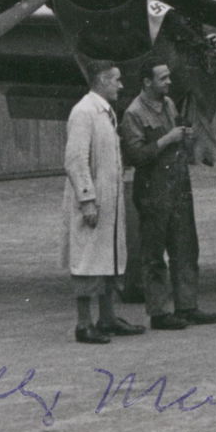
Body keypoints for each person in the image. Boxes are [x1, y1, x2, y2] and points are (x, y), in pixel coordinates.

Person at [119, 61, 216, 331]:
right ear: (146, 82)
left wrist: (186, 138)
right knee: (154, 254)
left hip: (178, 187)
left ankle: (187, 305)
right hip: (153, 191)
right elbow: (136, 156)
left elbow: (176, 139)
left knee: (186, 247)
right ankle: (159, 312)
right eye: (163, 78)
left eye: (168, 78)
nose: (169, 82)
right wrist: (168, 139)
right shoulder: (134, 114)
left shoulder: (170, 105)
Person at [61, 63, 144, 344]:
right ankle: (83, 324)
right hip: (93, 201)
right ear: (102, 80)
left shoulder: (105, 112)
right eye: (117, 81)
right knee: (86, 261)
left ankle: (107, 318)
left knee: (108, 257)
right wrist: (87, 200)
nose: (121, 86)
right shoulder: (84, 112)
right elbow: (75, 160)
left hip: (110, 199)